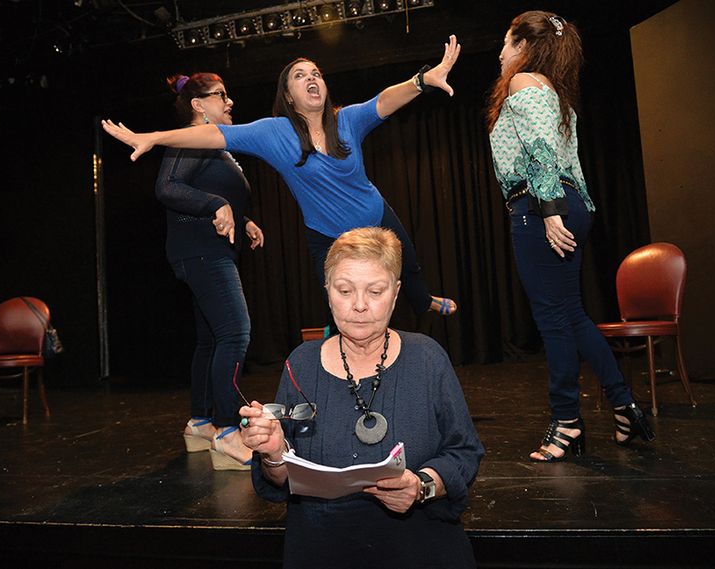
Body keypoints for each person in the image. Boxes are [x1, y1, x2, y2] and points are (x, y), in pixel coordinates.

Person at [102, 36, 463, 318]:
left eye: (316, 73)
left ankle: (423, 301)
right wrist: (153, 137)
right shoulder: (273, 133)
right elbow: (213, 135)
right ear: (289, 96)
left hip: (373, 214)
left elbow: (383, 100)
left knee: (408, 263)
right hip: (325, 232)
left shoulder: (347, 120)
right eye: (300, 75)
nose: (311, 79)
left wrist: (421, 80)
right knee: (340, 302)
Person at [238, 227, 483, 568]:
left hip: (421, 551)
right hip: (323, 552)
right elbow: (281, 480)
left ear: (396, 294)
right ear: (327, 292)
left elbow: (464, 451)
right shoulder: (301, 364)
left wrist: (423, 485)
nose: (359, 305)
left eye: (376, 290)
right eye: (344, 290)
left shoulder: (428, 358)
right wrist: (273, 453)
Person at [485, 11, 655, 461]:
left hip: (543, 207)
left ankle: (568, 425)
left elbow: (540, 149)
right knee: (571, 316)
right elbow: (568, 159)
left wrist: (548, 210)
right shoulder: (552, 91)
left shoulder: (526, 84)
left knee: (554, 321)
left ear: (523, 46)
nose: (501, 52)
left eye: (506, 42)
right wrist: (563, 207)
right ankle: (627, 409)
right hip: (564, 203)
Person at [157, 72, 264, 470]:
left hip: (206, 249)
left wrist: (243, 218)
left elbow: (210, 191)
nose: (229, 101)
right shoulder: (190, 138)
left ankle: (200, 422)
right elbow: (167, 187)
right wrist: (216, 204)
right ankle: (226, 430)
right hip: (202, 252)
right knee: (235, 334)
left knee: (211, 340)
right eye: (220, 96)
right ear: (198, 105)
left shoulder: (212, 145)